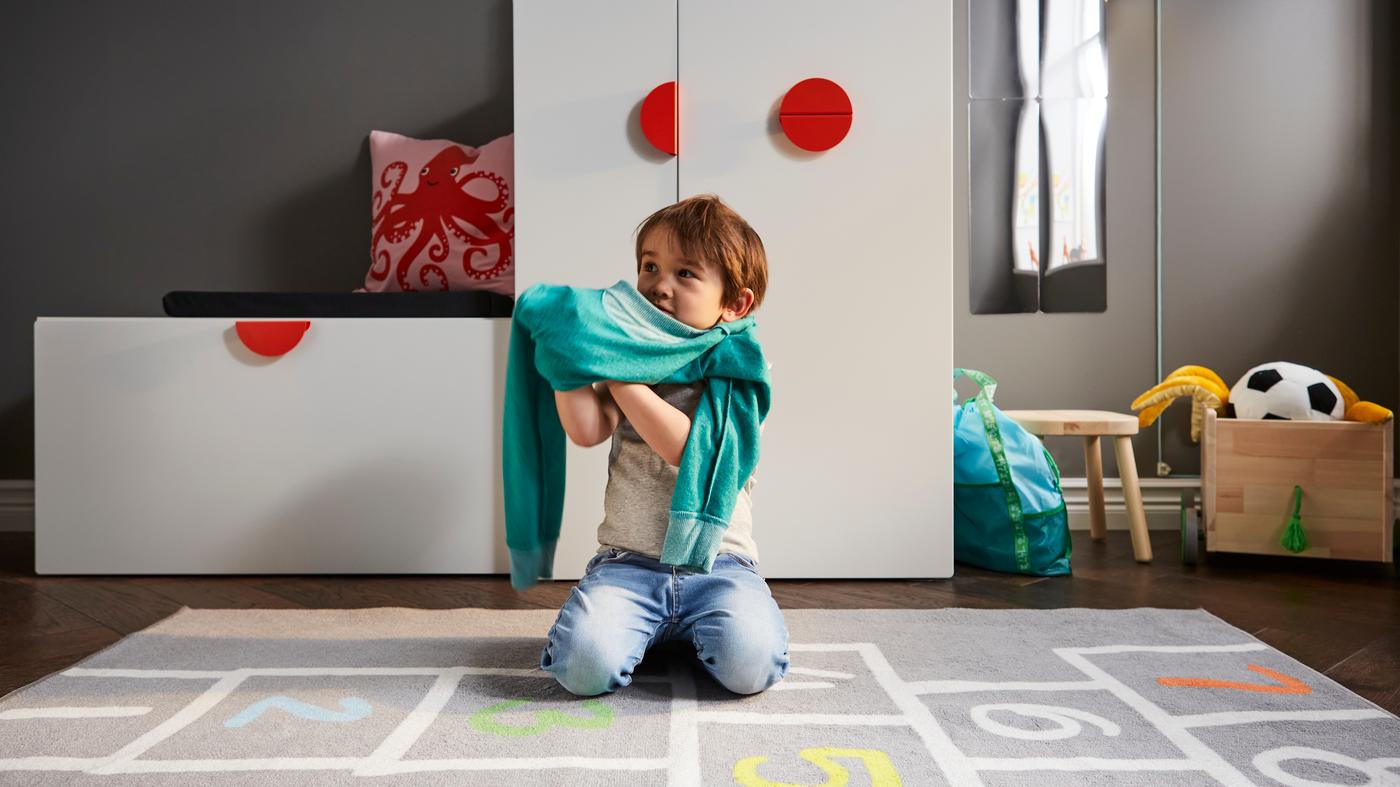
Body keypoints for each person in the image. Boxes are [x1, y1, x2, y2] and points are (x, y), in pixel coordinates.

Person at [540, 194, 790, 696]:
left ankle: (687, 632)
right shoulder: (630, 359)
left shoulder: (742, 379)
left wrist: (617, 376)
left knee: (750, 668)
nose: (659, 285)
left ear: (734, 304)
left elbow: (689, 450)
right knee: (583, 669)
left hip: (721, 567)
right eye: (650, 266)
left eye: (685, 274)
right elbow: (588, 430)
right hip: (628, 564)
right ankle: (644, 628)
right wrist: (565, 369)